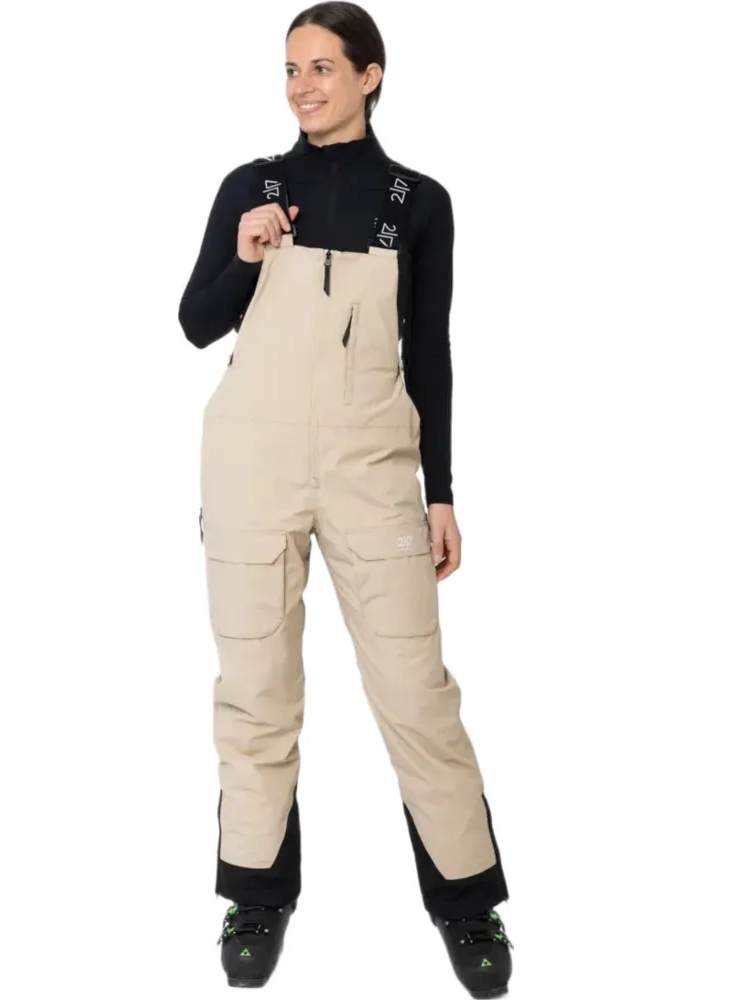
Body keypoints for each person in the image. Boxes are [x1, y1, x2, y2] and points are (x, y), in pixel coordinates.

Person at [178, 3, 512, 995]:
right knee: (256, 690)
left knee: (415, 690)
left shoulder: (419, 202)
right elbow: (195, 323)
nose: (302, 86)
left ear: (370, 75)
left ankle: (467, 901)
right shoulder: (251, 189)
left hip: (372, 466)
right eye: (291, 69)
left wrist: (440, 491)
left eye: (323, 67)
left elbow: (431, 353)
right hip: (252, 463)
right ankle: (255, 894)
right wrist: (244, 257)